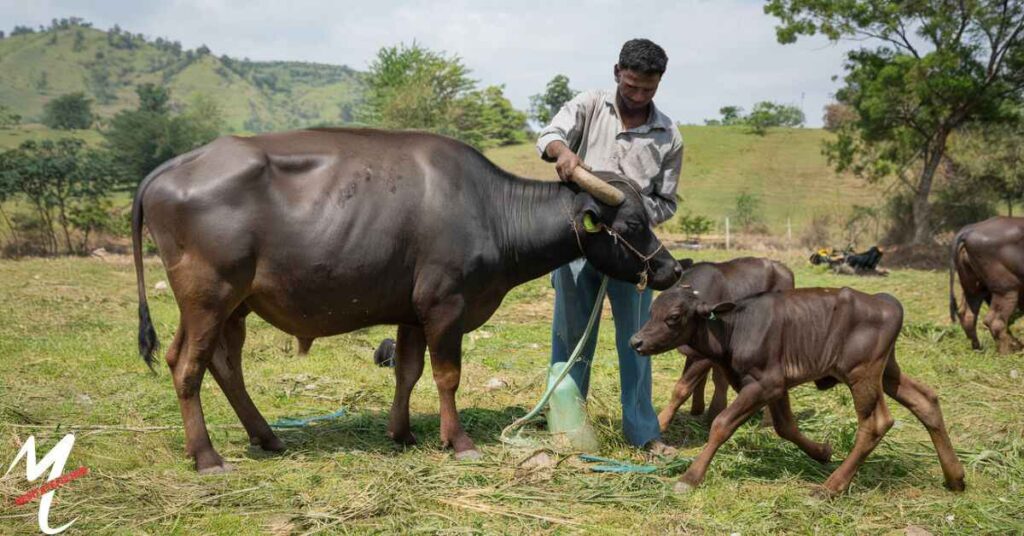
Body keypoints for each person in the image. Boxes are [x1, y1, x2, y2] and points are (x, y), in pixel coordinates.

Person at [536, 38, 683, 455]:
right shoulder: (589, 104)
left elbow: (666, 202)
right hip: (578, 248)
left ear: (659, 84)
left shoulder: (669, 135)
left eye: (648, 89)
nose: (638, 95)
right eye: (632, 85)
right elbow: (549, 135)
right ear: (617, 71)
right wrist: (563, 153)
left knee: (639, 341)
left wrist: (631, 211)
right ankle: (566, 428)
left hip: (634, 256)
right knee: (570, 340)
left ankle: (643, 432)